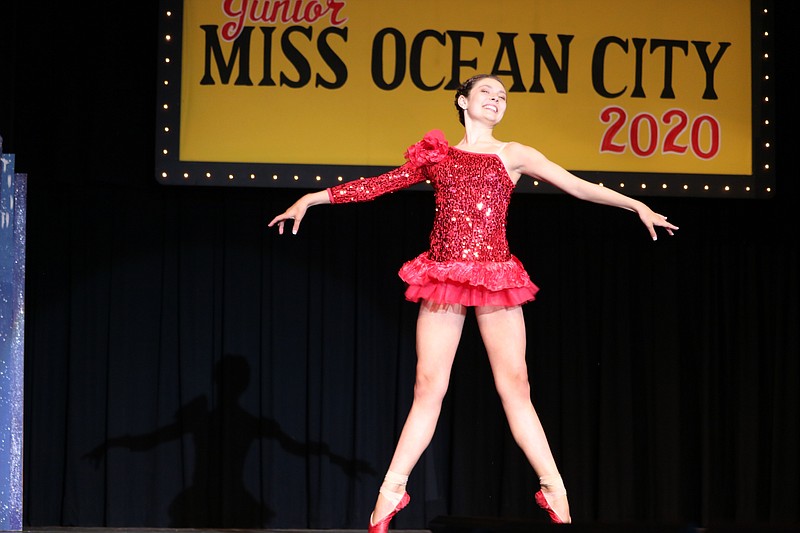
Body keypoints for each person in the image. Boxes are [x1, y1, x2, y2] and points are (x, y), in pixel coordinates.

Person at [268, 73, 678, 529]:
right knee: (428, 387)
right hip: (444, 274)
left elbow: (578, 185)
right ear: (463, 101)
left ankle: (555, 491)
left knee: (515, 387)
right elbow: (380, 184)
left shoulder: (514, 153)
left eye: (503, 96)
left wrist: (635, 206)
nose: (497, 100)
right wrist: (312, 198)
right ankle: (389, 495)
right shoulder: (438, 155)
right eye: (487, 92)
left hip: (496, 276)